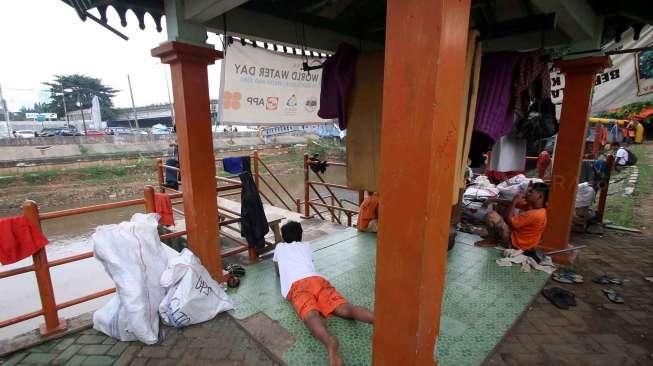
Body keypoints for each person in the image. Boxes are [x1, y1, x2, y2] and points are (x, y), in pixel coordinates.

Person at [274, 221, 374, 366]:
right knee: (346, 309)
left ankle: (330, 344)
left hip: (297, 285)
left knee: (311, 316)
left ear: (284, 238)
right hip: (317, 280)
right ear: (301, 235)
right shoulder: (306, 246)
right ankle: (380, 322)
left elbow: (277, 272)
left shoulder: (279, 248)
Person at [476, 182, 549, 250]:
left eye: (531, 192)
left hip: (515, 244)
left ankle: (492, 241)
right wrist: (492, 200)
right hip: (523, 243)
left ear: (540, 196)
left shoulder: (536, 213)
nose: (527, 194)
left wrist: (515, 200)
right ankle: (494, 238)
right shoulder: (536, 208)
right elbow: (509, 203)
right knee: (502, 207)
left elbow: (510, 221)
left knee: (491, 216)